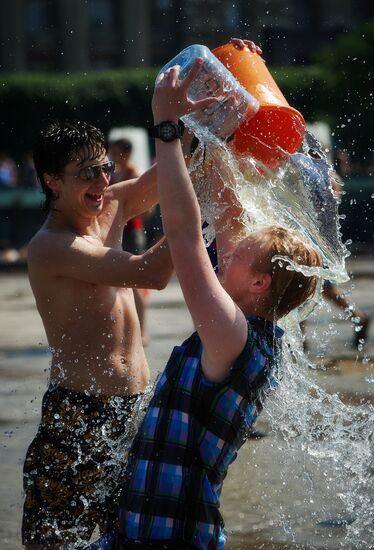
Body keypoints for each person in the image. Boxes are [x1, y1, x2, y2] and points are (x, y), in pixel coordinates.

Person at [114, 57, 322, 549]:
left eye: (232, 257)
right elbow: (226, 211)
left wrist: (166, 130)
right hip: (151, 524)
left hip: (171, 534)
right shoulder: (248, 321)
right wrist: (226, 109)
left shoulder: (232, 334)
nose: (222, 253)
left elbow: (187, 239)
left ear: (259, 283)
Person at [22, 119, 174, 549]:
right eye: (87, 172)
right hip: (79, 415)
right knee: (56, 542)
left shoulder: (109, 204)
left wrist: (211, 114)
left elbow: (168, 176)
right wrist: (194, 221)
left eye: (105, 167)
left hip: (133, 410)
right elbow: (151, 272)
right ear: (52, 180)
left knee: (130, 538)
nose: (103, 179)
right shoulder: (50, 245)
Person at [109, 139, 151, 344]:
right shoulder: (114, 175)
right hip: (117, 231)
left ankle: (141, 331)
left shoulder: (134, 175)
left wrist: (126, 211)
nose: (112, 156)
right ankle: (125, 329)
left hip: (132, 232)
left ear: (127, 153)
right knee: (119, 282)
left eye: (115, 152)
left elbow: (149, 209)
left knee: (134, 282)